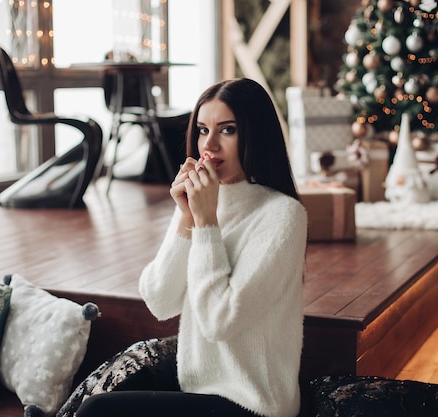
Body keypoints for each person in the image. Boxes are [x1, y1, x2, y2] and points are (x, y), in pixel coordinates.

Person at [76, 78, 307, 417]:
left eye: (227, 130)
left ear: (255, 134)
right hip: (198, 390)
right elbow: (159, 300)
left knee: (98, 412)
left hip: (253, 404)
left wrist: (206, 222)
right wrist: (186, 219)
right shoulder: (201, 202)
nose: (209, 145)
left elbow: (218, 321)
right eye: (202, 130)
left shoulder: (283, 215)